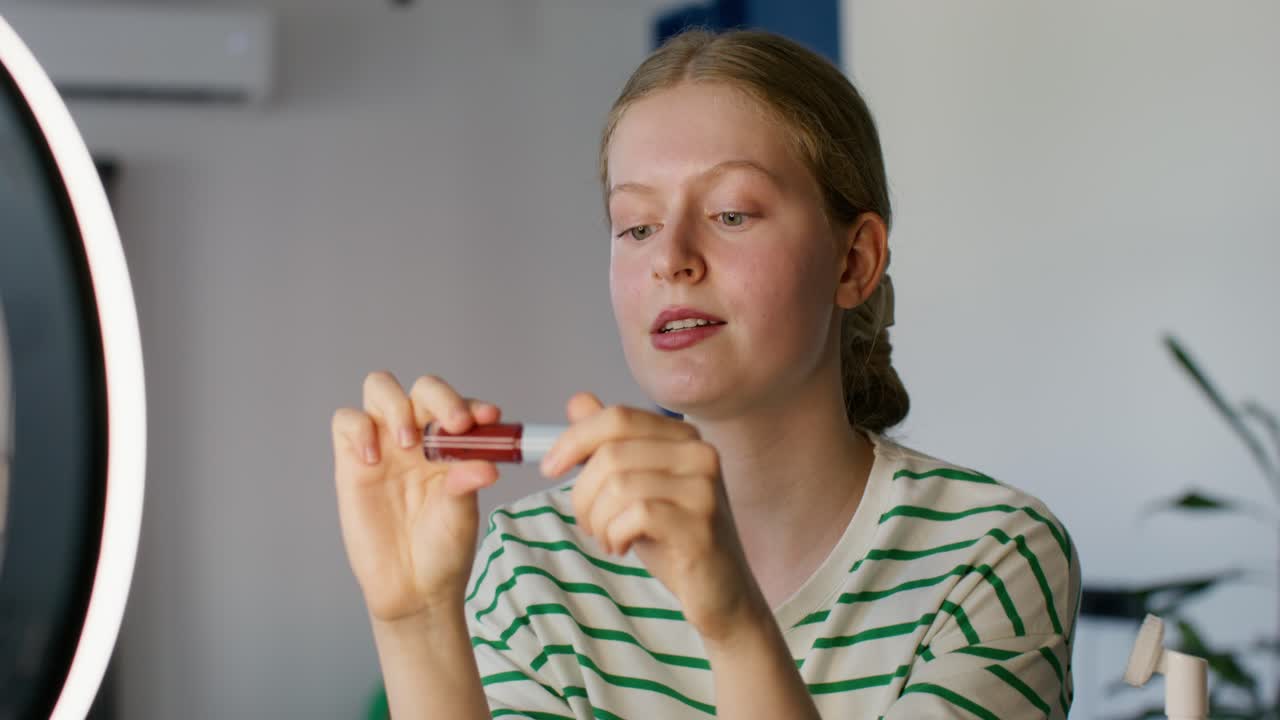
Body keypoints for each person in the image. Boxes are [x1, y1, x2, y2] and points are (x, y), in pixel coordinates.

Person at [332, 28, 1080, 719]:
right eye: (637, 226)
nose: (671, 258)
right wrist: (416, 624)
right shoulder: (533, 563)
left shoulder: (992, 554)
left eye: (731, 213)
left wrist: (733, 622)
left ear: (854, 261)